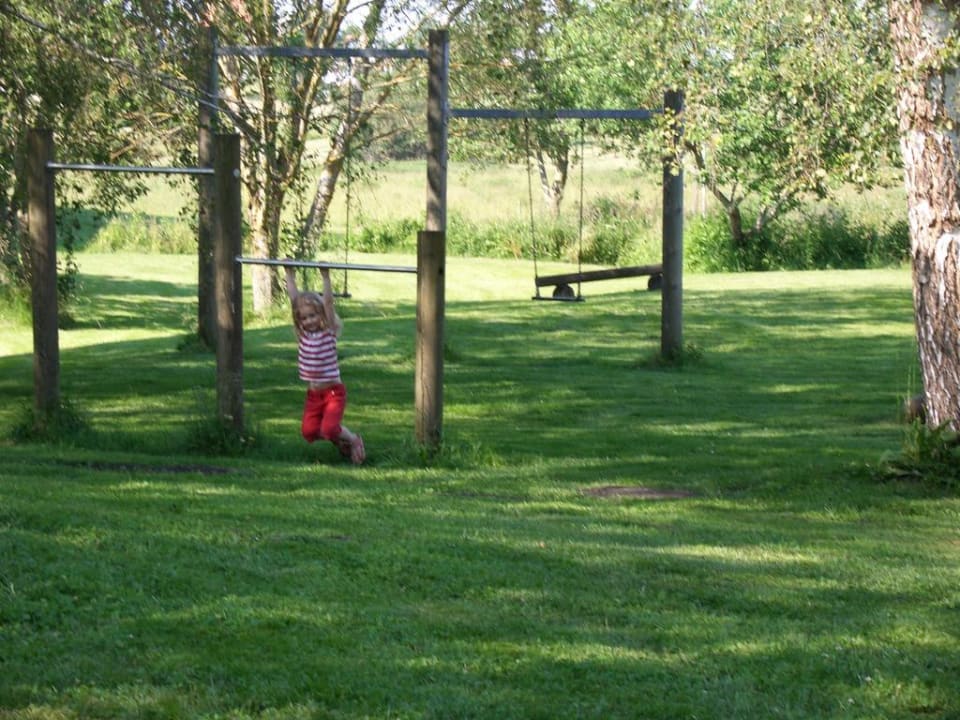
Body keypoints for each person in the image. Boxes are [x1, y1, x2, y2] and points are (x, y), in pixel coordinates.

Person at [284, 262, 365, 464]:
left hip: (333, 393)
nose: (309, 321)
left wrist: (326, 277)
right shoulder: (302, 335)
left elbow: (328, 303)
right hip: (313, 394)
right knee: (309, 433)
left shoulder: (328, 333)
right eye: (304, 318)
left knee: (328, 429)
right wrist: (289, 275)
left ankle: (353, 439)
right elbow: (294, 300)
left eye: (313, 315)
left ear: (321, 315)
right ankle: (340, 440)